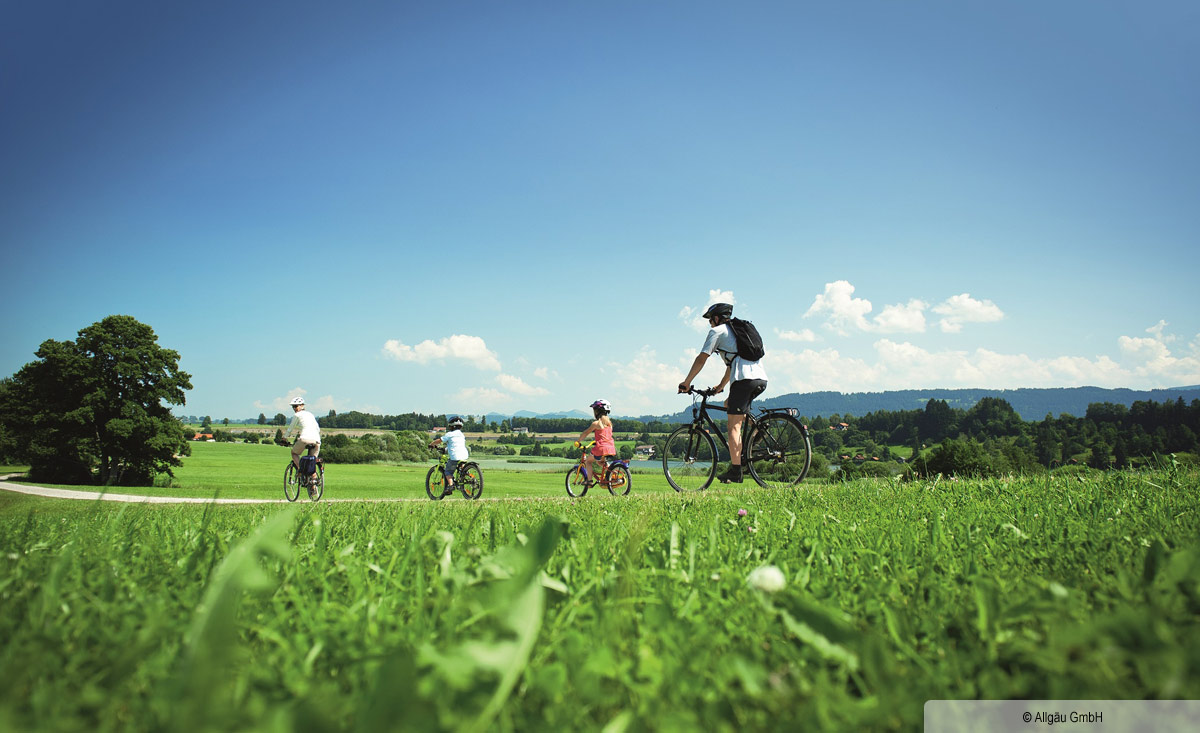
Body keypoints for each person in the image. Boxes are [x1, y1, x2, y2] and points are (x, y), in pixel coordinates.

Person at [677, 302, 768, 483]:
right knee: (728, 404)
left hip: (743, 381)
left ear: (717, 318)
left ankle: (736, 471)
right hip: (760, 378)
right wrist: (720, 387)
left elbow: (702, 358)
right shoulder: (736, 333)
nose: (710, 323)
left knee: (733, 427)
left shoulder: (717, 332)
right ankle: (758, 428)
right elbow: (732, 365)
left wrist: (687, 382)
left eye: (711, 320)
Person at [283, 396, 322, 497]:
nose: (295, 408)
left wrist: (284, 438)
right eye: (294, 407)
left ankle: (300, 470)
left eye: (296, 406)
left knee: (294, 453)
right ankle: (313, 487)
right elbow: (317, 428)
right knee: (312, 461)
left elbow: (290, 428)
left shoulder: (297, 415)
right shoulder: (311, 415)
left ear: (302, 406)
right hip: (316, 440)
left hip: (305, 438)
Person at [575, 399, 615, 486]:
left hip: (601, 448)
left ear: (597, 411)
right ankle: (611, 476)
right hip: (611, 447)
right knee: (600, 462)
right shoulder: (609, 424)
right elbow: (605, 437)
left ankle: (589, 481)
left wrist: (578, 441)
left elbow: (585, 433)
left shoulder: (596, 423)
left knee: (588, 462)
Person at [428, 416, 468, 494]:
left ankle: (451, 485)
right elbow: (454, 445)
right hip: (464, 455)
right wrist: (445, 449)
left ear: (451, 426)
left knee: (448, 472)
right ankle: (468, 477)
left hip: (455, 456)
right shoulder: (461, 435)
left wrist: (431, 444)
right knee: (462, 469)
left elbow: (440, 440)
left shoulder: (449, 434)